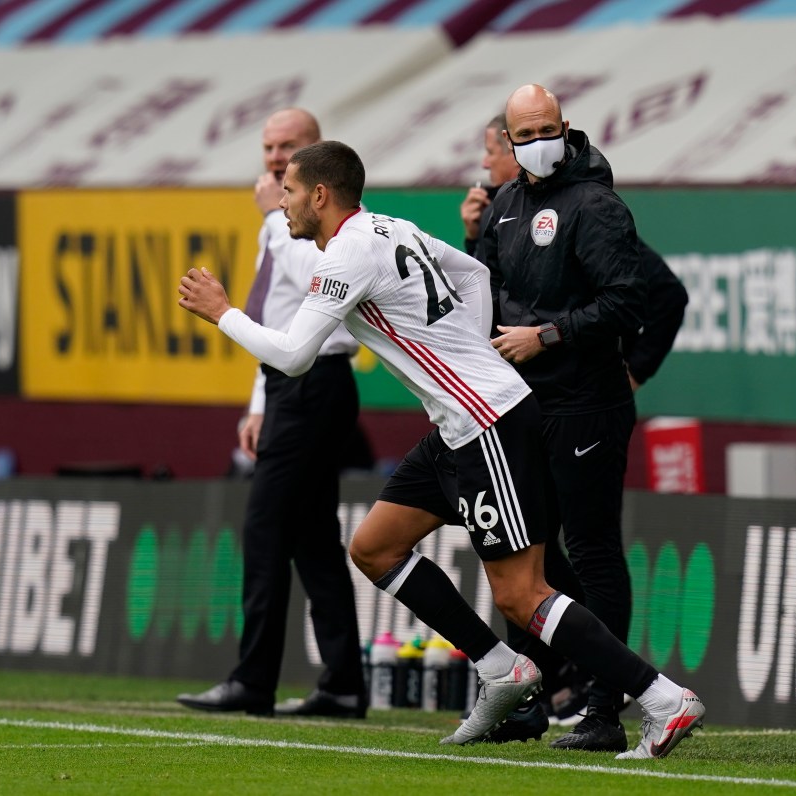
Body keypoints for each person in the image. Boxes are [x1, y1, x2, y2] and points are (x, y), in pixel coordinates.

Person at [177, 139, 705, 760]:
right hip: (460, 422)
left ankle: (662, 698)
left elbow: (294, 357)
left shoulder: (347, 253)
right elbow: (474, 273)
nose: (284, 203)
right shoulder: (389, 228)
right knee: (374, 547)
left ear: (320, 195)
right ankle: (500, 668)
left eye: (290, 192)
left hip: (488, 422)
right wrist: (468, 348)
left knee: (521, 593)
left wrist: (224, 313)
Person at [480, 84, 688, 752]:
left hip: (587, 402)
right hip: (523, 405)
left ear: (565, 128)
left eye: (549, 129)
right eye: (525, 133)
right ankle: (529, 700)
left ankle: (605, 708)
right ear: (510, 142)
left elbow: (630, 301)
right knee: (522, 553)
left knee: (594, 551)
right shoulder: (506, 207)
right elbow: (486, 292)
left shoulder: (595, 205)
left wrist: (548, 335)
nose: (538, 142)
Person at [176, 109, 367, 720]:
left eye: (289, 147)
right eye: (268, 146)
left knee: (265, 530)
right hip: (290, 384)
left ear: (318, 158)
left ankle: (253, 681)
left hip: (317, 381)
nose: (274, 157)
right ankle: (341, 683)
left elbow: (318, 283)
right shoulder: (282, 215)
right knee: (312, 539)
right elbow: (278, 313)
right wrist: (259, 403)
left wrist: (269, 217)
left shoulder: (311, 220)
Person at [459, 113, 520, 258]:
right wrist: (474, 237)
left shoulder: (508, 208)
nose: (485, 164)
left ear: (514, 153)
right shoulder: (492, 208)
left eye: (490, 152)